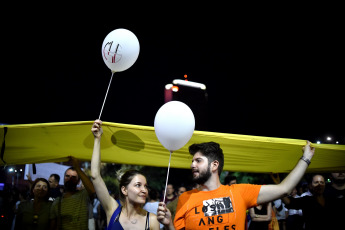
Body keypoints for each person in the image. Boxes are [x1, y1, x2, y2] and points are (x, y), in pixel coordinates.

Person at [157, 141, 315, 230]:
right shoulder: (185, 198)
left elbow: (284, 189)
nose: (192, 165)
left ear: (214, 165)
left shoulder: (240, 192)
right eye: (192, 161)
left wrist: (306, 158)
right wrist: (169, 224)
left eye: (198, 161)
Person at [90, 119, 162, 229]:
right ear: (124, 190)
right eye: (138, 185)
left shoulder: (152, 220)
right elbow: (95, 175)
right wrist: (97, 138)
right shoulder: (112, 209)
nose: (144, 190)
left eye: (145, 186)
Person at [50, 157, 96, 230]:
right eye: (67, 176)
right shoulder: (57, 202)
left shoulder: (83, 195)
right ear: (63, 178)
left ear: (78, 181)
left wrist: (77, 167)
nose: (70, 178)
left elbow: (92, 189)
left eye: (74, 177)